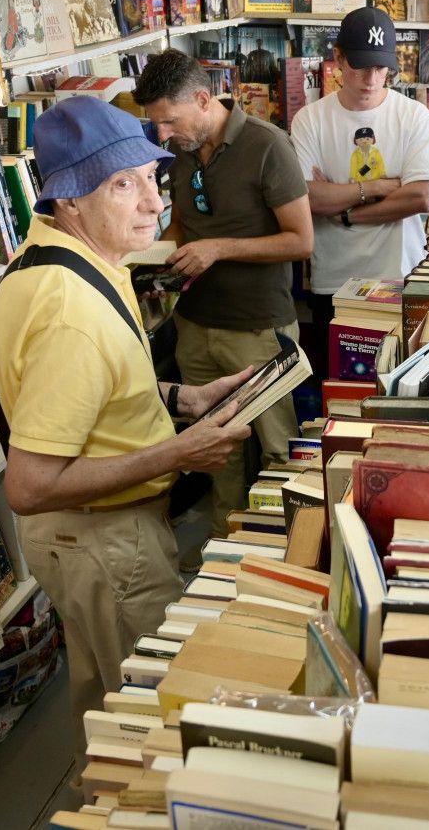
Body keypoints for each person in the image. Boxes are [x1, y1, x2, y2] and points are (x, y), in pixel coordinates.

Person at [0, 98, 253, 768]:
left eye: (151, 179)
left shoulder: (64, 255)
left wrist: (179, 396)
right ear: (70, 198)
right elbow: (28, 484)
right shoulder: (71, 310)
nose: (152, 203)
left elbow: (91, 391)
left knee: (107, 709)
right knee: (152, 736)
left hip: (86, 544)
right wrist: (179, 450)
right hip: (106, 541)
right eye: (123, 184)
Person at [133, 50, 313, 570]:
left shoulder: (267, 145)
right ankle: (223, 552)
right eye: (155, 123)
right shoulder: (184, 150)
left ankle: (290, 562)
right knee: (216, 450)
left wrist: (219, 249)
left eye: (169, 120)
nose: (163, 134)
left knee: (280, 451)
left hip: (257, 327)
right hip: (194, 324)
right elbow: (185, 227)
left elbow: (301, 241)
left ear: (204, 99)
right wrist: (155, 266)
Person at [290, 6, 429, 363]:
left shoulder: (413, 115)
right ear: (339, 58)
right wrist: (379, 188)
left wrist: (346, 214)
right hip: (334, 285)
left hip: (402, 278)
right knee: (342, 393)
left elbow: (421, 197)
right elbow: (308, 199)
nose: (372, 79)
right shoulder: (310, 120)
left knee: (402, 390)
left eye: (380, 67)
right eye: (361, 65)